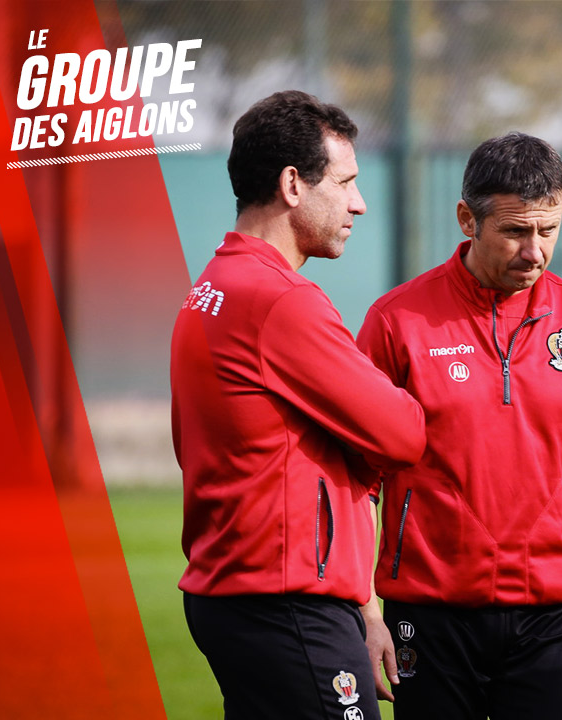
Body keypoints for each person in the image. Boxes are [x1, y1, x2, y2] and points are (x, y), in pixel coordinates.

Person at [356, 132, 562, 719]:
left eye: (549, 231)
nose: (535, 252)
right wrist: (365, 612)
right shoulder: (397, 322)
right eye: (515, 232)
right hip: (429, 614)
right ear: (468, 219)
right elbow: (358, 479)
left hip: (554, 616)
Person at [170, 90, 426, 720]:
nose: (358, 203)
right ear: (292, 185)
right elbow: (403, 434)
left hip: (236, 593)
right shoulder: (281, 300)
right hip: (287, 603)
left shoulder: (211, 287)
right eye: (344, 183)